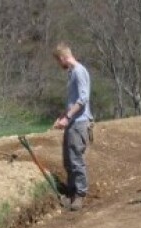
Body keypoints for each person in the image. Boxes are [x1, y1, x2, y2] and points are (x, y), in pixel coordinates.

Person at [52, 42, 92, 211]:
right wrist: (62, 116)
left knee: (76, 160)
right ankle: (71, 193)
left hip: (79, 123)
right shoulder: (72, 73)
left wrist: (68, 117)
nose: (59, 65)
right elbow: (72, 101)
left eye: (58, 61)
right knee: (68, 160)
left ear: (63, 58)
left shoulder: (79, 72)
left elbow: (83, 99)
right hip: (72, 122)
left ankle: (80, 195)